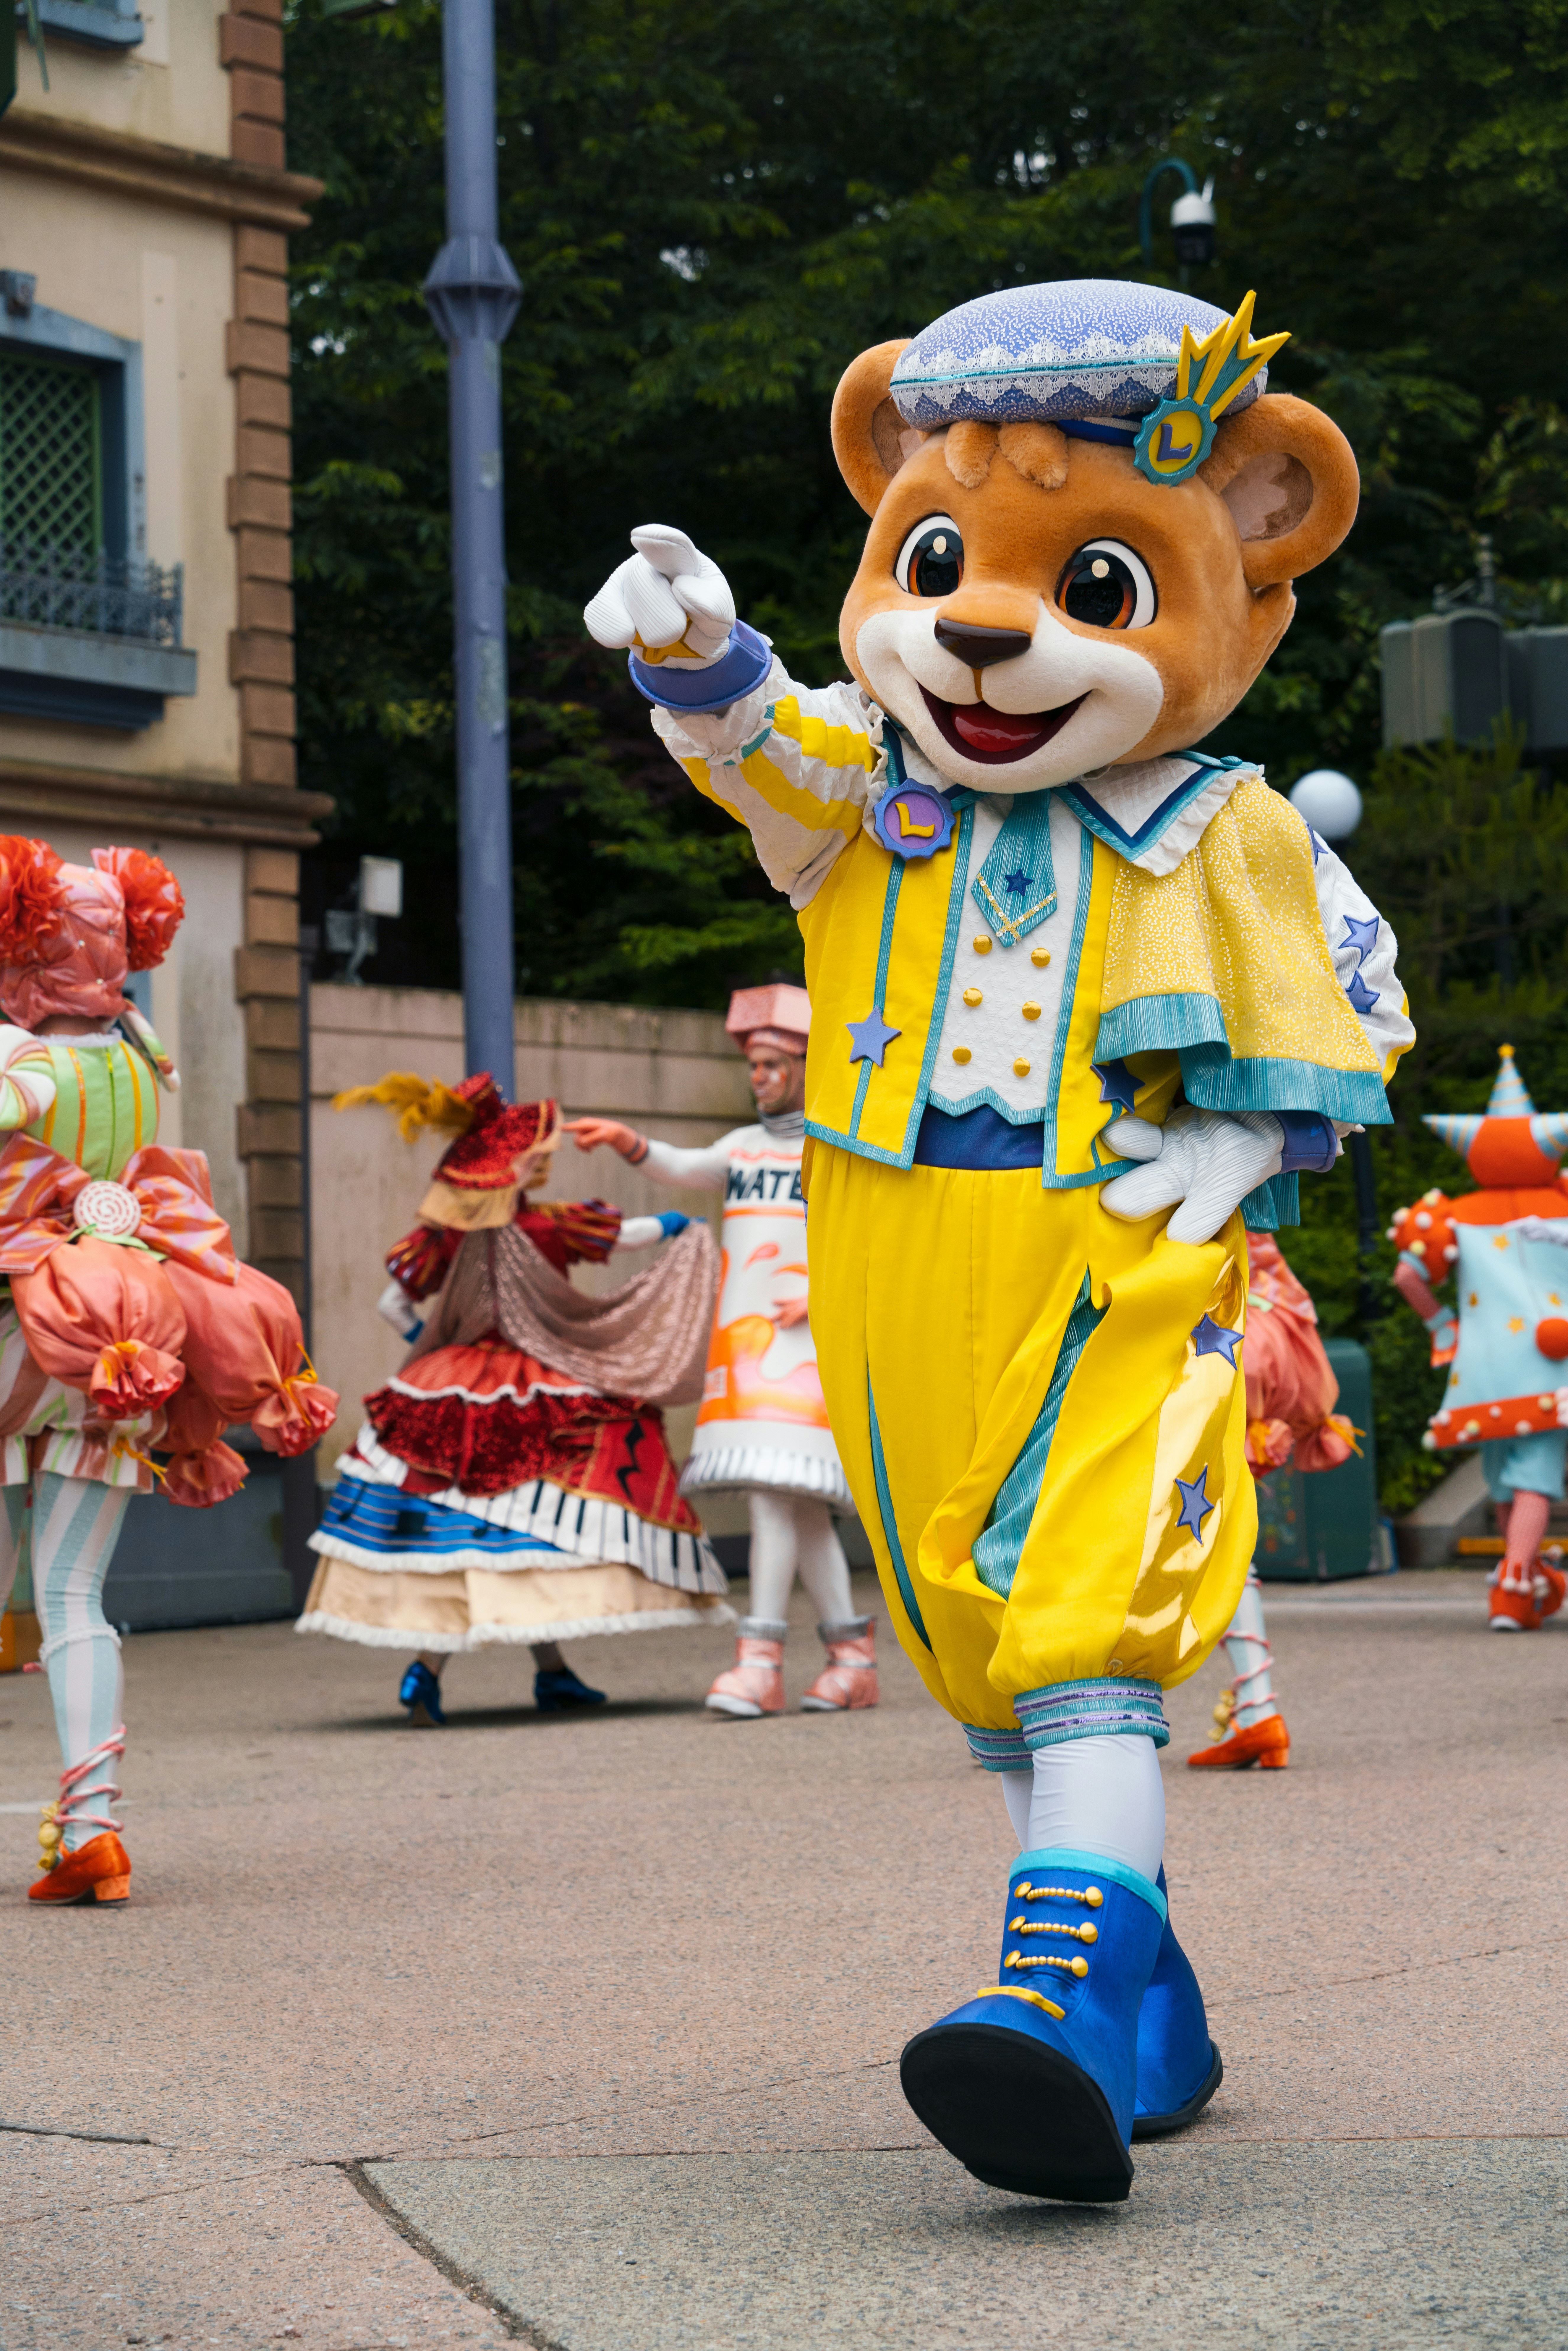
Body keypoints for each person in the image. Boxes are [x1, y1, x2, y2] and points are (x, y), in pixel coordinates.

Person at [584, 278, 1413, 2199]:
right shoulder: (871, 810)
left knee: (1080, 1643)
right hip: (897, 1272)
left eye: (1090, 589)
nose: (979, 625)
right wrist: (702, 651)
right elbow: (762, 745)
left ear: (1251, 551)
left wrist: (1249, 1124)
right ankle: (1157, 2017)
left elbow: (1351, 994)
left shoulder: (1224, 828)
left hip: (1103, 1259)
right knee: (983, 1668)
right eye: (940, 558)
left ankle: (1047, 2008)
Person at [0, 837, 335, 1905]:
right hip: (114, 1346)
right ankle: (92, 1828)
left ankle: (88, 1832)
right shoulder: (139, 1058)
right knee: (71, 1592)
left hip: (20, 1331)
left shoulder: (19, 1062)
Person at [297, 1074, 735, 1719]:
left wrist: (436, 1345)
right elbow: (632, 1234)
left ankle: (536, 1672)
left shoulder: (443, 1234)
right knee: (534, 1526)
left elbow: (391, 1304)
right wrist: (677, 1223)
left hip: (442, 1381)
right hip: (538, 1386)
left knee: (493, 1531)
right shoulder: (548, 1226)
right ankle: (439, 1667)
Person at [569, 982, 872, 1718]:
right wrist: (627, 1141)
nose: (760, 1076)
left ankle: (759, 1659)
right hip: (746, 1356)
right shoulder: (740, 1149)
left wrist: (826, 1298)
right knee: (798, 1508)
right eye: (754, 1065)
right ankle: (851, 1656)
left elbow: (868, 1239)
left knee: (779, 1500)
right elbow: (678, 1164)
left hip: (808, 1350)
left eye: (774, 1063)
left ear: (807, 1064)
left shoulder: (835, 1147)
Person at [1392, 1043, 1568, 1631]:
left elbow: (1406, 1275)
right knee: (1537, 1479)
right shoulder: (1562, 1205)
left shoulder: (1455, 1214)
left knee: (1504, 1477)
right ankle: (1516, 1583)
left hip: (1485, 1369)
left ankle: (1529, 1571)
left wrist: (1444, 1328)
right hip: (1553, 1361)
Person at [1188, 1232, 1360, 1769]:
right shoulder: (1255, 1148)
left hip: (1187, 1339)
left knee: (1194, 1529)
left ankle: (1052, 1713)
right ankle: (1256, 1705)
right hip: (1253, 1340)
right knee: (1216, 1528)